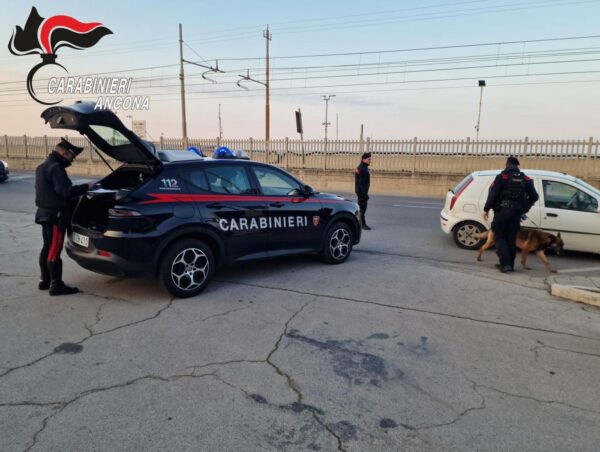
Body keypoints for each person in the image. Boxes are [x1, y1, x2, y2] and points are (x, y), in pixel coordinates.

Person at [35, 138, 91, 295]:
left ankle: (44, 281)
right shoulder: (56, 168)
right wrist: (86, 187)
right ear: (64, 153)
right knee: (54, 249)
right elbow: (64, 192)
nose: (71, 160)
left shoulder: (42, 166)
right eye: (71, 157)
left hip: (44, 213)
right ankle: (56, 285)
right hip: (56, 217)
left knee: (47, 248)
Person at [483, 156, 539, 273]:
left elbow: (492, 194)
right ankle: (510, 265)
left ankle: (505, 264)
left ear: (506, 165)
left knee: (499, 236)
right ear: (517, 166)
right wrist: (524, 209)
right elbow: (535, 196)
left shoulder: (502, 177)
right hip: (516, 214)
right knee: (510, 239)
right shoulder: (526, 179)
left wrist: (486, 209)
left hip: (502, 212)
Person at [355, 152, 372, 230]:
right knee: (362, 209)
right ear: (363, 159)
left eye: (370, 159)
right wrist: (364, 194)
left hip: (363, 193)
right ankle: (362, 224)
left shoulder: (364, 167)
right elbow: (360, 183)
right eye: (369, 159)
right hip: (362, 193)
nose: (370, 161)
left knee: (362, 209)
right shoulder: (361, 168)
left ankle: (360, 223)